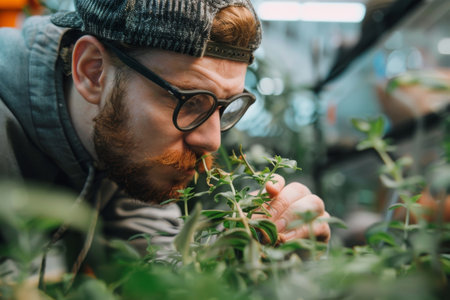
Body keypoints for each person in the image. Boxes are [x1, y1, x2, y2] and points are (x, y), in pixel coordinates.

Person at [0, 0, 330, 274]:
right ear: (92, 71)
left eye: (226, 105)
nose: (212, 140)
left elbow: (161, 273)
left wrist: (248, 259)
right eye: (189, 100)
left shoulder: (122, 146)